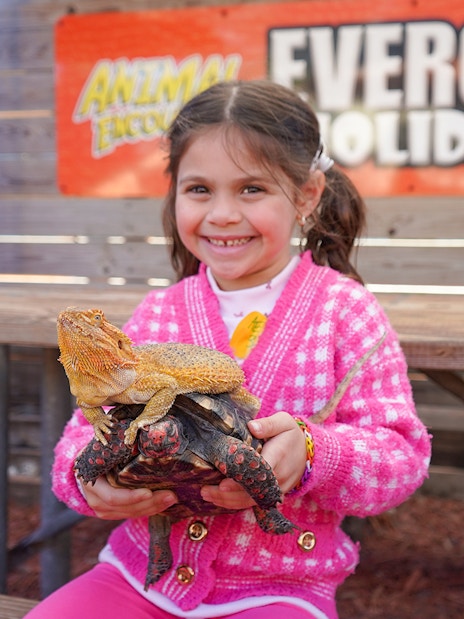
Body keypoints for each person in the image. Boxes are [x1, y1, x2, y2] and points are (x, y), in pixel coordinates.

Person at [26, 80, 431, 619]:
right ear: (173, 194)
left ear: (307, 195)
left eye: (251, 190)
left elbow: (401, 455)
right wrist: (89, 482)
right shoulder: (157, 314)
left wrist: (314, 454)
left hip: (279, 590)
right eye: (199, 190)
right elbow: (82, 431)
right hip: (137, 575)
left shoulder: (346, 312)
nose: (221, 213)